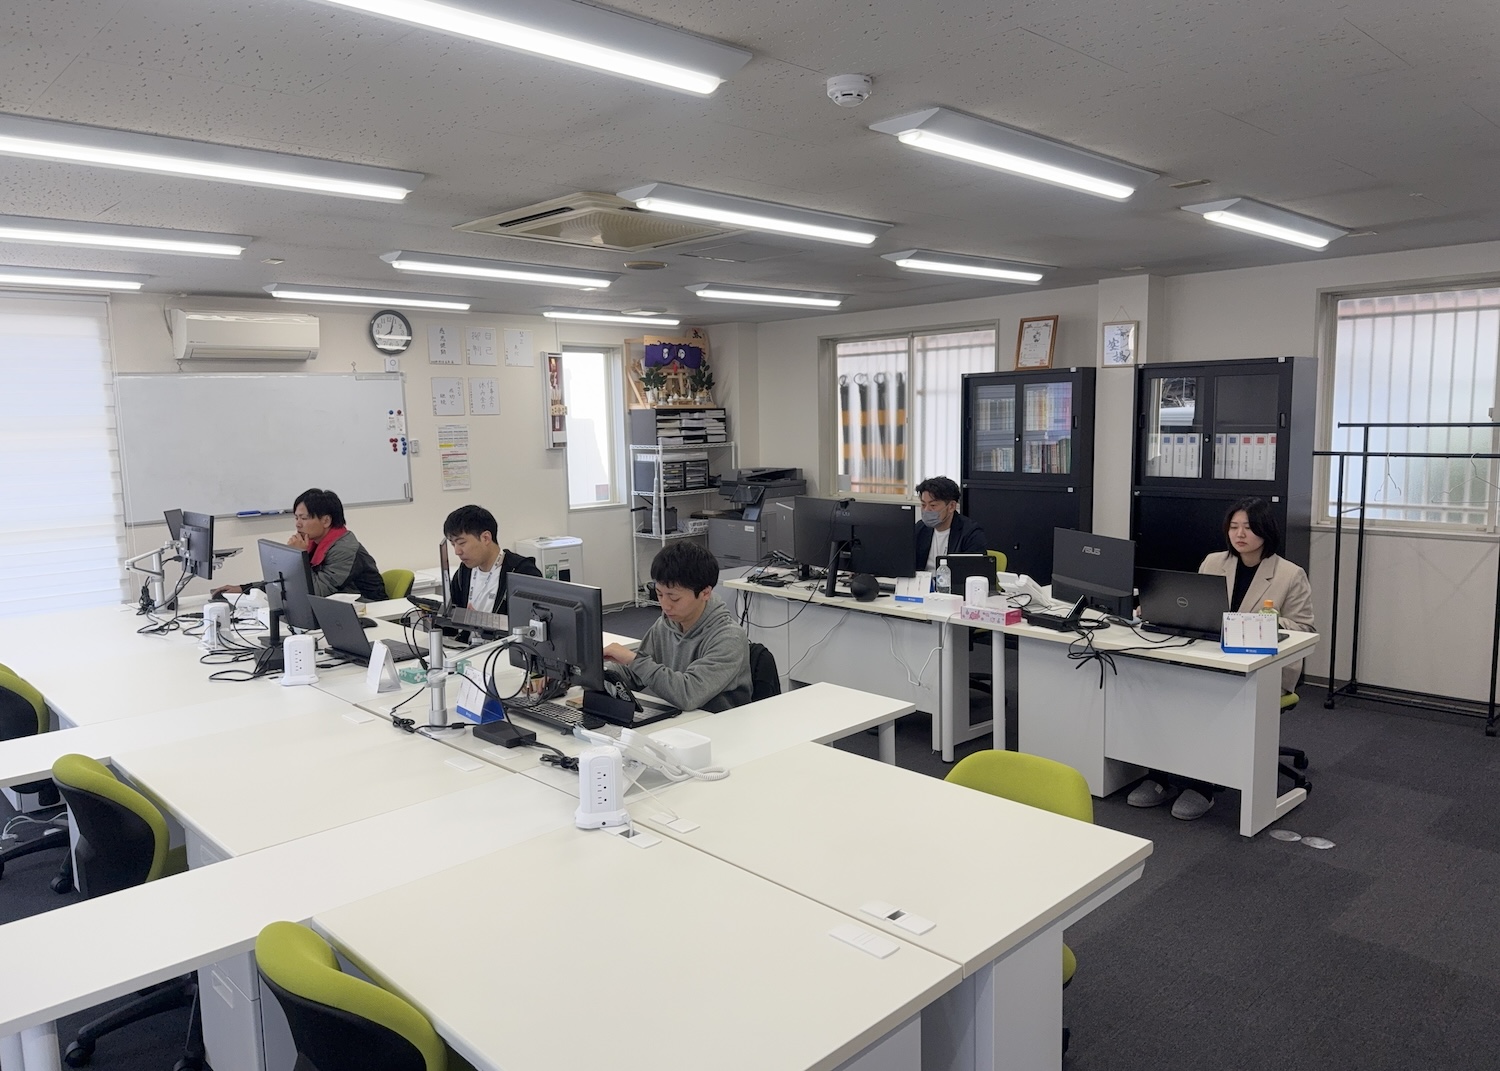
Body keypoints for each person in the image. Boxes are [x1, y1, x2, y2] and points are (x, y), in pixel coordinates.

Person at [1128, 497, 1314, 820]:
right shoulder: (1214, 562)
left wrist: (1267, 622)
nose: (1239, 534)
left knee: (1204, 698)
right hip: (1210, 658)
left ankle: (1202, 786)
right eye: (1234, 527)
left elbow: (1304, 627)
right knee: (1163, 690)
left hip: (1263, 668)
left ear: (1265, 531)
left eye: (1248, 528)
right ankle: (1160, 776)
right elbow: (1195, 607)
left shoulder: (1289, 574)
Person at [602, 541, 751, 712]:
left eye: (674, 598)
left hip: (717, 721)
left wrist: (633, 660)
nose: (665, 605)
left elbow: (689, 695)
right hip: (680, 718)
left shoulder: (729, 638)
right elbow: (636, 674)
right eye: (659, 594)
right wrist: (597, 672)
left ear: (705, 593)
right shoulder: (665, 625)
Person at [214, 488, 386, 601]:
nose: (298, 524)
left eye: (304, 518)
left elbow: (315, 591)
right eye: (296, 518)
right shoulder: (313, 543)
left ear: (326, 521)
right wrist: (245, 589)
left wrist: (299, 558)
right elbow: (284, 582)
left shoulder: (345, 549)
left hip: (370, 610)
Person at [442, 504, 541, 617]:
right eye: (453, 544)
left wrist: (483, 623)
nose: (457, 551)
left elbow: (533, 621)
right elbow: (452, 618)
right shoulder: (463, 572)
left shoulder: (522, 572)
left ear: (486, 538)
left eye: (461, 543)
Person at [914, 476, 989, 572]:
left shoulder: (970, 533)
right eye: (923, 504)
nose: (926, 510)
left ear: (951, 506)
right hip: (923, 580)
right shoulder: (919, 528)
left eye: (933, 505)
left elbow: (975, 570)